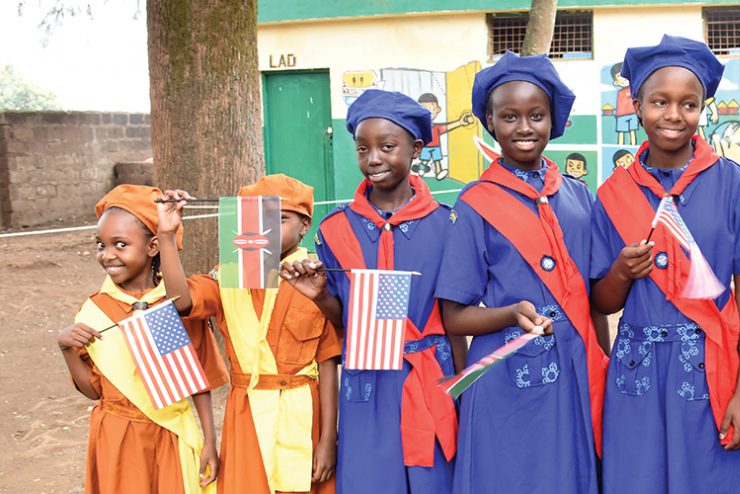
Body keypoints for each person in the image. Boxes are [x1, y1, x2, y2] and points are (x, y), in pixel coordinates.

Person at [591, 35, 740, 494]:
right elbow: (602, 301)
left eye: (688, 104)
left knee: (715, 477)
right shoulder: (613, 194)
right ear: (636, 105)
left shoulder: (734, 185)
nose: (674, 115)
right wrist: (621, 271)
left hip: (711, 368)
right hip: (636, 376)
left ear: (703, 110)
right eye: (659, 102)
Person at [435, 51, 607, 494]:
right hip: (506, 378)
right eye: (509, 116)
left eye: (536, 115)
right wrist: (511, 313)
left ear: (554, 119)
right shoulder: (476, 203)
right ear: (490, 123)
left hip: (575, 367)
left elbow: (593, 302)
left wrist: (601, 363)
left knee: (571, 475)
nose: (524, 127)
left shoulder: (578, 197)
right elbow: (453, 316)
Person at [287, 89, 465, 492]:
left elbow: (455, 321)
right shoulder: (335, 230)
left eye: (387, 147)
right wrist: (319, 296)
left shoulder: (448, 225)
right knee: (371, 479)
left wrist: (462, 392)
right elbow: (345, 318)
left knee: (433, 478)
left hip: (430, 376)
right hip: (366, 382)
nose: (374, 159)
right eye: (362, 148)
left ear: (416, 148)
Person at [160, 175, 342, 494]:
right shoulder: (228, 275)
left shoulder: (317, 279)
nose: (268, 227)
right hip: (246, 411)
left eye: (281, 218)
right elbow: (181, 301)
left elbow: (327, 364)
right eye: (258, 218)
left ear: (304, 225)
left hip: (302, 410)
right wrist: (166, 235)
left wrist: (328, 439)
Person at [57, 184, 227, 493]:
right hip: (117, 436)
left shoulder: (171, 306)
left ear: (152, 247)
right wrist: (67, 350)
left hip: (171, 433)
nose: (107, 255)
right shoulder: (95, 310)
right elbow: (93, 391)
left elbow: (197, 381)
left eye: (120, 245)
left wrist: (209, 442)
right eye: (101, 245)